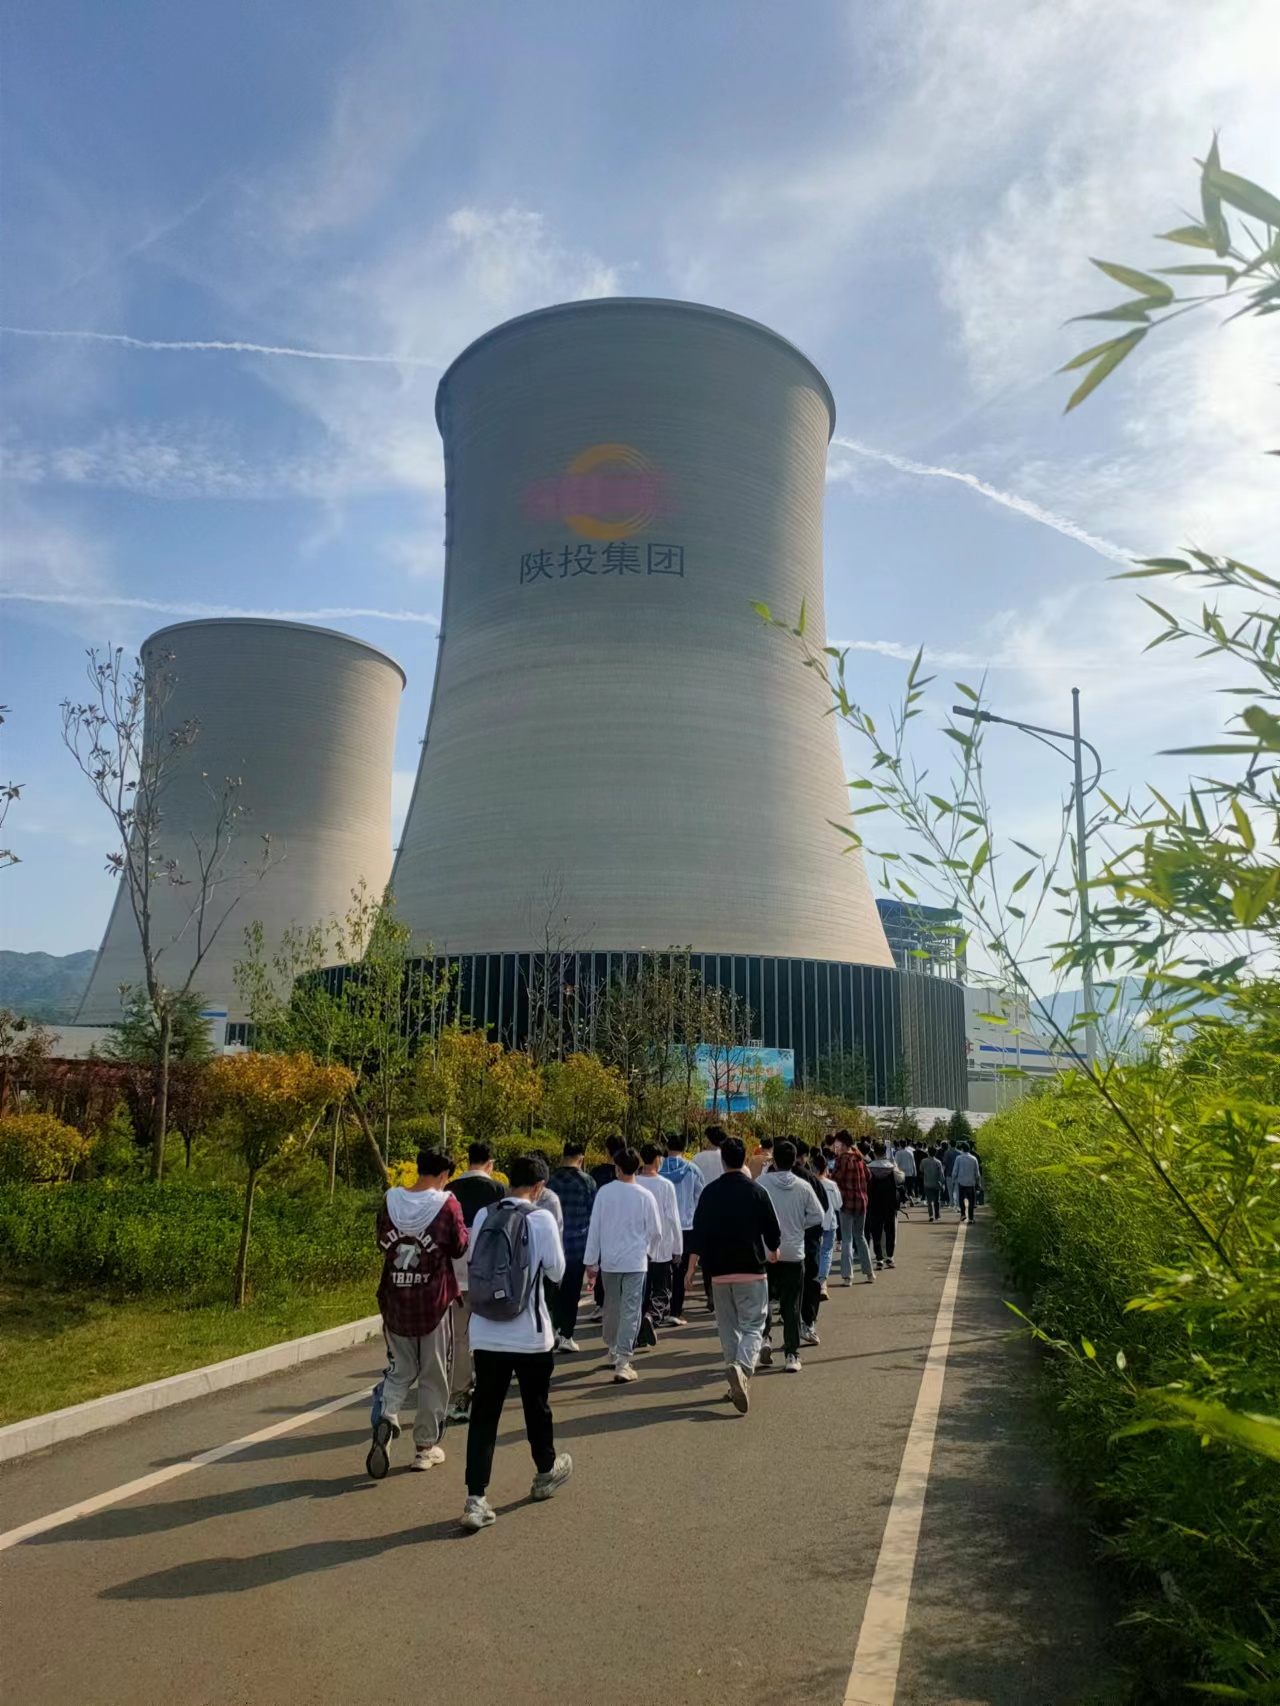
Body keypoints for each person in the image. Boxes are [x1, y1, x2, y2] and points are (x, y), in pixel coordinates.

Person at [460, 1154, 572, 1531]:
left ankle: (475, 1499)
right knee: (536, 1407)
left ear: (510, 1181)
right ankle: (545, 1472)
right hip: (529, 1335)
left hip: (485, 1331)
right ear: (539, 1187)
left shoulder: (484, 1215)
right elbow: (556, 1271)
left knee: (484, 1414)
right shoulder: (541, 1219)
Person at [368, 1148, 468, 1479]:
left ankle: (387, 1414)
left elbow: (380, 1240)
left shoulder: (391, 1199)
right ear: (444, 1175)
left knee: (400, 1369)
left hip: (396, 1299)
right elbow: (459, 1246)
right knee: (433, 1376)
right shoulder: (447, 1204)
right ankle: (425, 1448)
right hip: (433, 1303)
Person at [690, 1134, 781, 1413]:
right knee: (753, 1325)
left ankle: (735, 1380)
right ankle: (742, 1368)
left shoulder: (710, 1193)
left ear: (722, 1160)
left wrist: (692, 1267)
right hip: (751, 1269)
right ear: (745, 1159)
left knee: (728, 1327)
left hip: (718, 1271)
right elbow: (772, 1230)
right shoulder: (756, 1191)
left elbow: (698, 1232)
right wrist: (773, 1249)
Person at [584, 1146, 663, 1382]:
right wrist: (649, 1251)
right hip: (636, 1261)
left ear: (617, 1168)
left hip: (610, 1261)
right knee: (631, 1310)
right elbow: (656, 1232)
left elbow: (595, 1228)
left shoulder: (605, 1193)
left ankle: (612, 1347)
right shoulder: (645, 1195)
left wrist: (591, 1262)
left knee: (612, 1306)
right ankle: (623, 1360)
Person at [757, 1139, 824, 1372]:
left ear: (773, 1161)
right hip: (794, 1252)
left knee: (764, 1300)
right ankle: (792, 1355)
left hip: (767, 1251)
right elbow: (818, 1216)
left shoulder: (761, 1183)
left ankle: (764, 1339)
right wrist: (799, 1226)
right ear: (795, 1160)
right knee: (792, 1305)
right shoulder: (803, 1186)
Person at [544, 1141, 596, 1351]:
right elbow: (593, 1215)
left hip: (552, 1245)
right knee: (572, 1292)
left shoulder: (550, 1180)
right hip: (577, 1245)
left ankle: (552, 1330)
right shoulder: (587, 1181)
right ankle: (566, 1334)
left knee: (552, 1292)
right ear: (581, 1159)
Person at [636, 1143, 683, 1340]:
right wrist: (678, 1248)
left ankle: (641, 1327)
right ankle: (652, 1316)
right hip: (662, 1247)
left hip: (639, 1246)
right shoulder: (665, 1185)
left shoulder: (634, 1182)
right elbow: (673, 1218)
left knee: (642, 1291)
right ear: (657, 1159)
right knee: (662, 1290)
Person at [659, 1132, 705, 1324]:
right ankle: (675, 1311)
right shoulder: (693, 1170)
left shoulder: (657, 1168)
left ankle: (659, 1307)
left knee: (662, 1268)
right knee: (680, 1270)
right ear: (685, 1149)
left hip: (663, 1226)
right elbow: (700, 1198)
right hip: (687, 1226)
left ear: (667, 1147)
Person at [792, 1146, 831, 1345]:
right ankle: (808, 1323)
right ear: (802, 1157)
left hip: (782, 1242)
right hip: (809, 1240)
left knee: (788, 1285)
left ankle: (782, 1334)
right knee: (810, 1279)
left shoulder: (767, 1180)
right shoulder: (810, 1179)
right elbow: (823, 1207)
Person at [831, 1131, 874, 1285]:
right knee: (860, 1237)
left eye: (837, 1142)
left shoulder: (841, 1160)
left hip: (847, 1203)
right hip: (862, 1202)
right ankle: (869, 1273)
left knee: (847, 1239)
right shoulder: (859, 1158)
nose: (836, 1145)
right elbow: (869, 1176)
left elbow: (834, 1179)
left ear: (843, 1144)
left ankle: (847, 1276)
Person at [866, 1141, 904, 1270]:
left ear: (874, 1152)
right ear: (885, 1152)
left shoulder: (869, 1167)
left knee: (876, 1231)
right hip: (890, 1203)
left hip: (874, 1203)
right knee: (890, 1230)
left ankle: (879, 1258)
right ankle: (890, 1257)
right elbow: (901, 1179)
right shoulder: (891, 1167)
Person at [811, 1150, 842, 1297]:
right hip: (829, 1221)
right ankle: (822, 1282)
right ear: (826, 1168)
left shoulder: (808, 1184)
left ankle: (814, 1279)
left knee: (815, 1251)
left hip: (813, 1222)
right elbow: (838, 1204)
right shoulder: (831, 1184)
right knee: (827, 1251)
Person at [952, 1141, 983, 1224]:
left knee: (961, 1200)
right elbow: (977, 1174)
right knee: (971, 1202)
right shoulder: (973, 1159)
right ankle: (971, 1218)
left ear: (962, 1149)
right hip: (971, 1183)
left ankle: (963, 1214)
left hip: (961, 1182)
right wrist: (978, 1183)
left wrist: (953, 1180)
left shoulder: (958, 1158)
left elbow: (955, 1171)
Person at [920, 1145, 946, 1221]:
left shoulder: (924, 1161)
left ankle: (931, 1215)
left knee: (929, 1201)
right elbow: (941, 1174)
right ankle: (937, 1215)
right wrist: (942, 1182)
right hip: (936, 1183)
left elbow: (921, 1169)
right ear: (935, 1153)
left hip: (927, 1183)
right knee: (937, 1200)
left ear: (928, 1152)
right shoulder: (938, 1162)